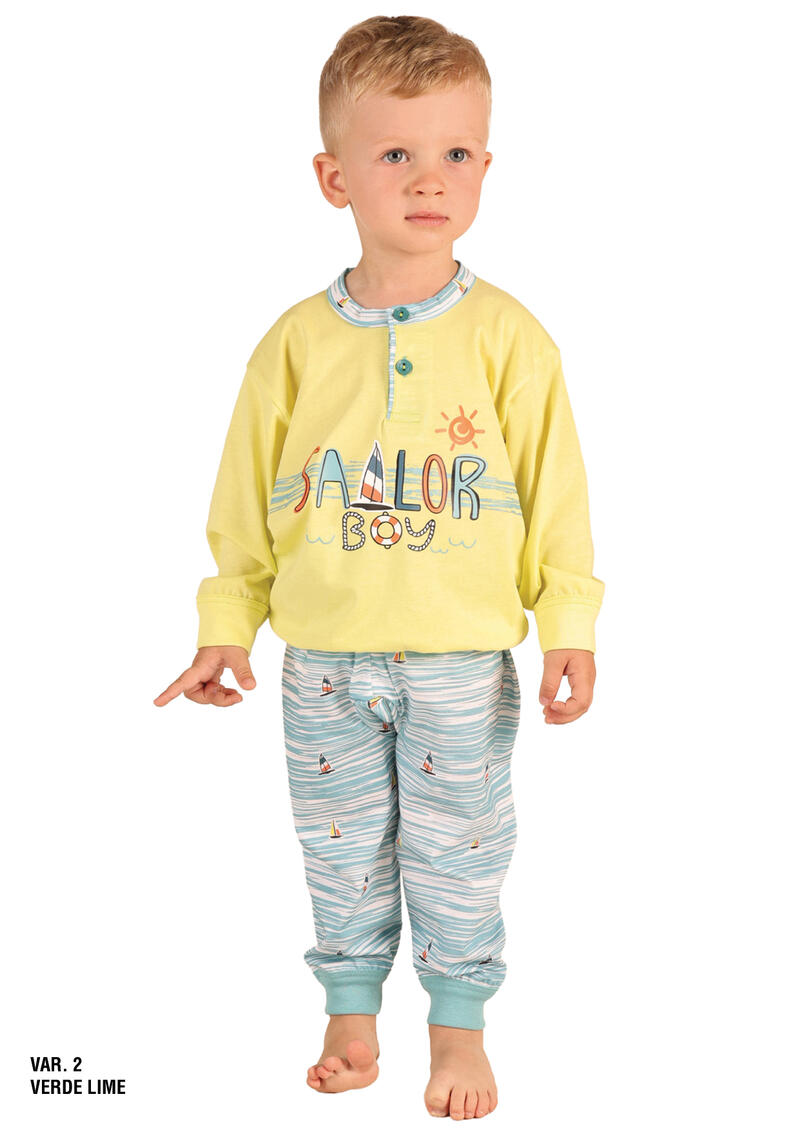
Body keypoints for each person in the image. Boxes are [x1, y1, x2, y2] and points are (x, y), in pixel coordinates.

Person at [154, 14, 605, 1122]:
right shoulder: (294, 344)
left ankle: (457, 1027)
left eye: (455, 153)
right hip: (322, 659)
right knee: (339, 844)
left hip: (461, 660)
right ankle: (349, 1011)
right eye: (395, 153)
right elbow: (243, 498)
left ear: (486, 167)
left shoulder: (510, 337)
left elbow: (556, 492)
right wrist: (226, 624)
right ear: (333, 177)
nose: (427, 179)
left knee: (459, 850)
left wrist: (569, 626)